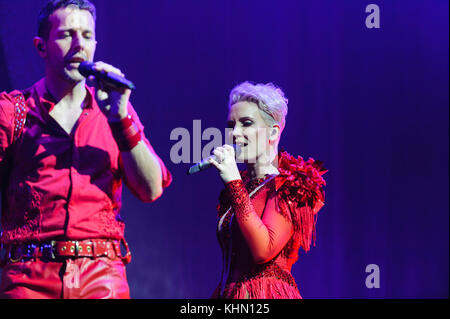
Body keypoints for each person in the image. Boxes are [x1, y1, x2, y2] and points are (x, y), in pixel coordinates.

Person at [0, 0, 172, 299]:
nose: (79, 45)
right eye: (67, 34)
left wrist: (121, 119)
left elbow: (151, 189)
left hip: (101, 275)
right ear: (41, 46)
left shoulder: (117, 111)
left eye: (87, 35)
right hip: (28, 278)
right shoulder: (12, 111)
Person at [208, 81, 327, 299]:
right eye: (231, 125)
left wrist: (234, 182)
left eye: (246, 123)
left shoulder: (292, 184)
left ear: (273, 132)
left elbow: (263, 249)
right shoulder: (243, 189)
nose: (234, 133)